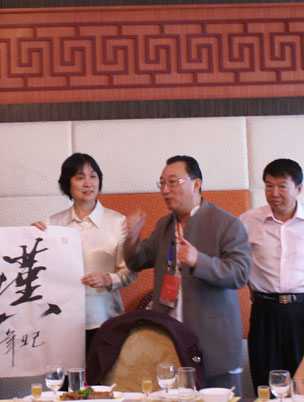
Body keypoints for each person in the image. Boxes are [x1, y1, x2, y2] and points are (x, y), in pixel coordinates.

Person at [123, 155, 251, 394]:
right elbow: (137, 261)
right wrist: (131, 238)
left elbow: (240, 273)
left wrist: (198, 260)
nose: (165, 190)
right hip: (171, 339)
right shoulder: (164, 225)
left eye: (173, 182)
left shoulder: (226, 223)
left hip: (214, 344)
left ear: (196, 184)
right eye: (162, 183)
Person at [32, 153, 136, 355]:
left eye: (93, 176)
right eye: (80, 177)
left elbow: (130, 273)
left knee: (103, 375)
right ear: (67, 184)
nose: (88, 183)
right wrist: (29, 239)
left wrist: (107, 279)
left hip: (105, 320)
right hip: (63, 323)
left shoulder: (117, 222)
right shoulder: (53, 224)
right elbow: (42, 274)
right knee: (67, 376)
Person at [239, 158, 304, 388]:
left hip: (301, 311)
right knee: (266, 382)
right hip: (264, 312)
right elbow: (235, 261)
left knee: (301, 385)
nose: (274, 193)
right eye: (269, 186)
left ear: (298, 188)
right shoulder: (248, 221)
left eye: (282, 186)